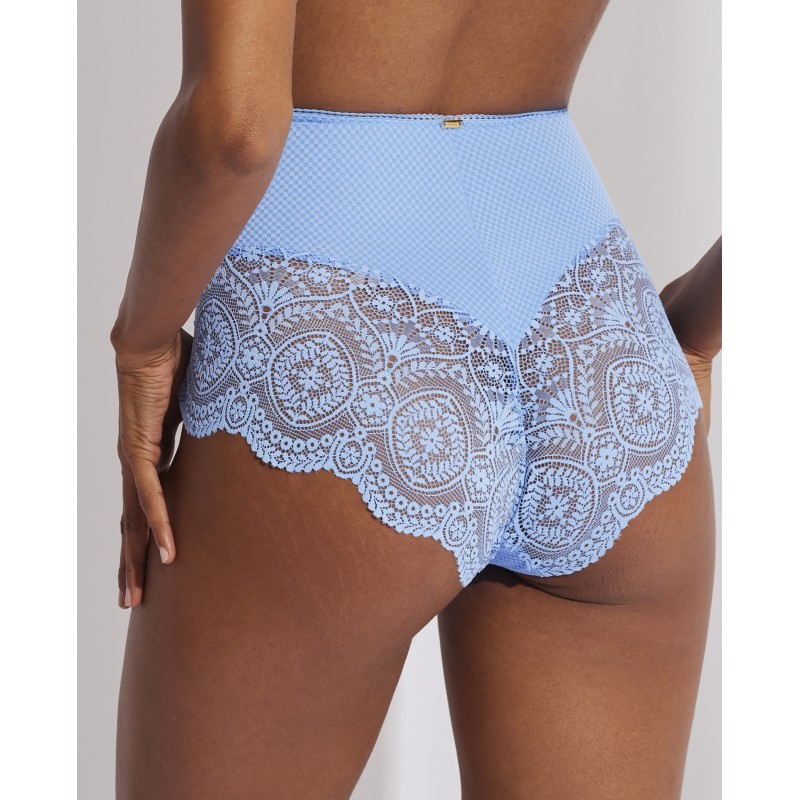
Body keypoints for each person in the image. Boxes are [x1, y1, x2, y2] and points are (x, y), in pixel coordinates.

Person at [110, 0, 721, 797]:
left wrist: (143, 341)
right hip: (597, 328)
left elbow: (235, 130)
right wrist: (700, 325)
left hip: (337, 322)